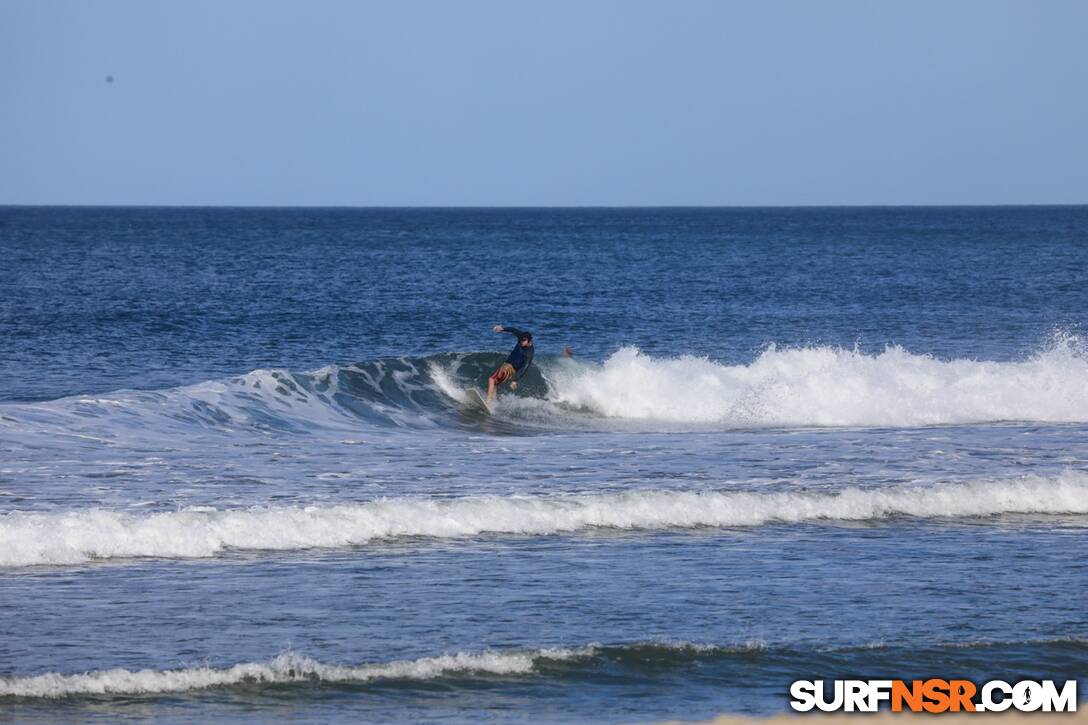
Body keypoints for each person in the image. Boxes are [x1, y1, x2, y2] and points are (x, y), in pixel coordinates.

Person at [488, 324, 534, 403]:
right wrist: (502, 329)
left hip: (510, 368)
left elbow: (525, 367)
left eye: (524, 341)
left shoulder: (529, 353)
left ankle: (488, 401)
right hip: (507, 364)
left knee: (491, 379)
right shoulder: (522, 336)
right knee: (495, 383)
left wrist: (515, 380)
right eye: (521, 340)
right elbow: (513, 330)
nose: (521, 342)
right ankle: (492, 403)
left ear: (529, 341)